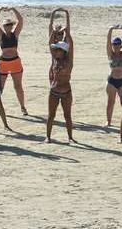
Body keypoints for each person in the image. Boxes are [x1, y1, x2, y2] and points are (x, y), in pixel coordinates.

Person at [46, 8, 76, 143]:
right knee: (51, 115)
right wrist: (53, 15)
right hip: (54, 91)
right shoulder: (54, 59)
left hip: (66, 92)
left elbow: (70, 40)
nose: (55, 50)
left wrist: (67, 15)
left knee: (67, 116)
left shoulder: (69, 60)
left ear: (63, 51)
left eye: (58, 49)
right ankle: (48, 137)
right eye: (55, 49)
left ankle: (70, 137)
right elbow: (50, 39)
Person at [0, 7, 27, 115]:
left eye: (10, 24)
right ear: (4, 26)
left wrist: (13, 9)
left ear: (12, 26)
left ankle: (23, 107)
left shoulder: (15, 34)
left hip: (15, 62)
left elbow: (20, 20)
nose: (8, 26)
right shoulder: (1, 35)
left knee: (18, 86)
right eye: (6, 25)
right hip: (4, 63)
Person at [105, 25, 122, 126]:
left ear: (121, 46)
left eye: (118, 44)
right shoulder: (110, 54)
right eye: (114, 44)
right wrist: (111, 29)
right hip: (112, 81)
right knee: (111, 102)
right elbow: (108, 42)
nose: (116, 46)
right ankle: (108, 121)